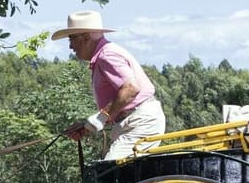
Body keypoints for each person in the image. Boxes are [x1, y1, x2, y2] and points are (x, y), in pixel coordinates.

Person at [55, 10, 166, 160]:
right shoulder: (104, 54)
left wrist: (101, 117)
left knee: (109, 173)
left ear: (86, 37)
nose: (70, 46)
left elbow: (131, 88)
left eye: (71, 39)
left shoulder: (106, 56)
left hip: (140, 122)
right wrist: (86, 126)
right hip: (134, 121)